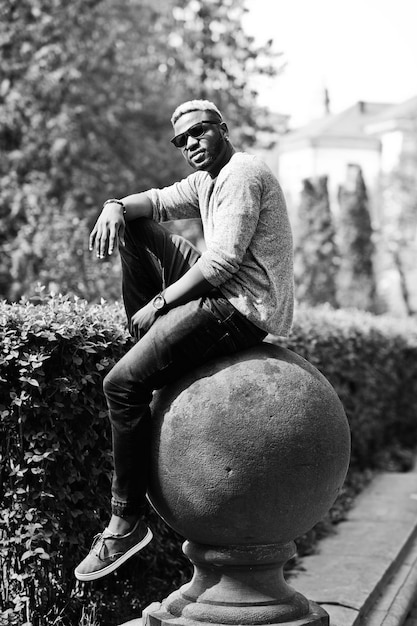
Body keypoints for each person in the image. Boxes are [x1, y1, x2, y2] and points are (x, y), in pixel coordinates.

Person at [74, 99, 294, 582]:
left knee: (121, 386)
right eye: (182, 140)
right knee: (135, 223)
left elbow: (222, 264)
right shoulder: (205, 180)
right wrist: (113, 207)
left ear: (224, 129)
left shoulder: (242, 173)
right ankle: (148, 343)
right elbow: (154, 201)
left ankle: (125, 523)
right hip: (219, 291)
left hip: (241, 307)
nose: (191, 144)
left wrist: (161, 303)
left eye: (200, 133)